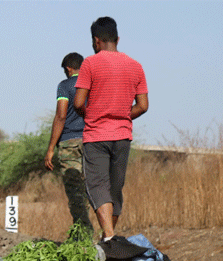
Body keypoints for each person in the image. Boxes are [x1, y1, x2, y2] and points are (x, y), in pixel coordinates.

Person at [73, 16, 148, 244]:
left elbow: (78, 103)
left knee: (98, 186)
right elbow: (143, 106)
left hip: (97, 136)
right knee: (115, 188)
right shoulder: (135, 66)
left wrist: (92, 116)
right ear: (117, 38)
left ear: (96, 41)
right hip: (123, 136)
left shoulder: (90, 64)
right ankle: (109, 239)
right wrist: (123, 115)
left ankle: (109, 236)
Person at [45, 52, 92, 231]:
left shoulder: (64, 86)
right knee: (90, 187)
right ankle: (100, 233)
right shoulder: (92, 84)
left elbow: (61, 115)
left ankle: (83, 233)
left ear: (68, 68)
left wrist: (50, 148)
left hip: (69, 142)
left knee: (75, 190)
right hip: (91, 141)